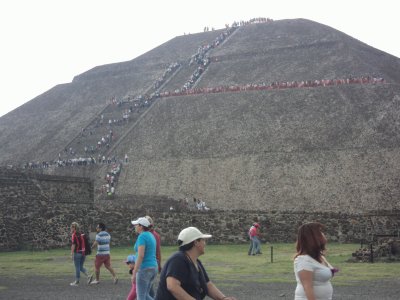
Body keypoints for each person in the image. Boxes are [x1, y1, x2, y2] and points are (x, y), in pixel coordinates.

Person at [155, 226, 236, 300]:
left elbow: (208, 285)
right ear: (196, 242)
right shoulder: (178, 259)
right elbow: (172, 286)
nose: (205, 243)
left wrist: (223, 298)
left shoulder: (197, 262)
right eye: (203, 240)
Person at [293, 222, 338, 300]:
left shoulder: (320, 257)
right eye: (320, 232)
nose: (323, 234)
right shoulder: (304, 260)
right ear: (313, 237)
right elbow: (307, 288)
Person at [131, 217, 158, 300]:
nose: (135, 226)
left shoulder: (142, 237)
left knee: (141, 297)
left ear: (141, 226)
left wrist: (134, 272)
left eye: (136, 225)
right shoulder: (151, 235)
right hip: (153, 267)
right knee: (145, 295)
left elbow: (141, 255)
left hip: (144, 268)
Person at [70, 222, 92, 286]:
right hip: (83, 253)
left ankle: (77, 281)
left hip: (77, 253)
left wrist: (71, 253)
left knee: (77, 267)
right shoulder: (82, 234)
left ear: (74, 228)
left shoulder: (74, 235)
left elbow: (73, 245)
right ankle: (89, 275)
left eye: (72, 227)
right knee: (80, 267)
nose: (71, 228)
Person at [145, 215, 162, 298]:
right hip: (152, 263)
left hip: (148, 263)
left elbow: (157, 251)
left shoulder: (150, 235)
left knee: (145, 289)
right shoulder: (155, 235)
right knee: (148, 287)